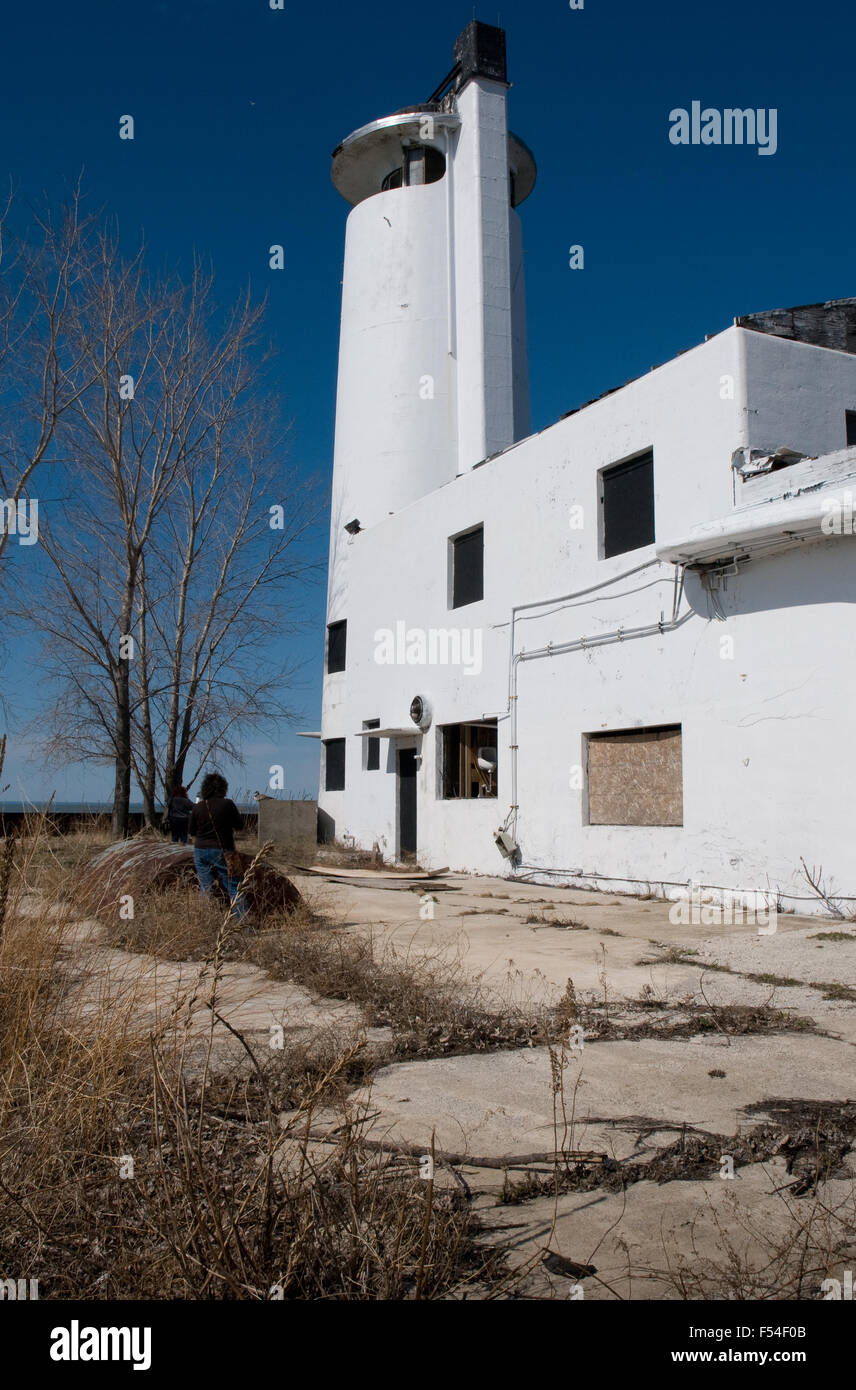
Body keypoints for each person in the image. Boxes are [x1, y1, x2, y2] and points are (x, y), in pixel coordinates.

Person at [188, 772, 248, 918]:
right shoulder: (227, 804)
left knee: (206, 888)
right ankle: (243, 925)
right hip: (225, 850)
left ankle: (206, 924)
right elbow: (240, 825)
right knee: (235, 887)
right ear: (223, 788)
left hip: (200, 850)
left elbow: (191, 831)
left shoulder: (198, 807)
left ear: (205, 789)